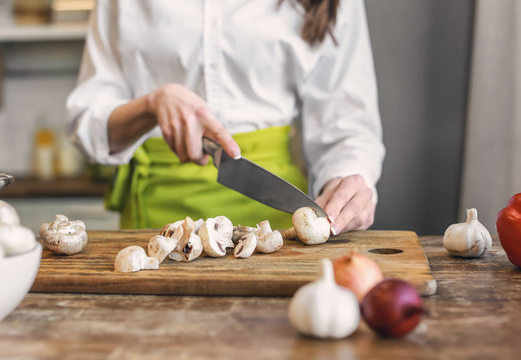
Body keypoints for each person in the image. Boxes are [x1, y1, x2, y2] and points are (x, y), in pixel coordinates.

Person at [66, 0, 385, 234]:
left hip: (276, 224)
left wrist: (349, 180)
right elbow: (85, 124)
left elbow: (347, 126)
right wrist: (151, 105)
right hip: (155, 226)